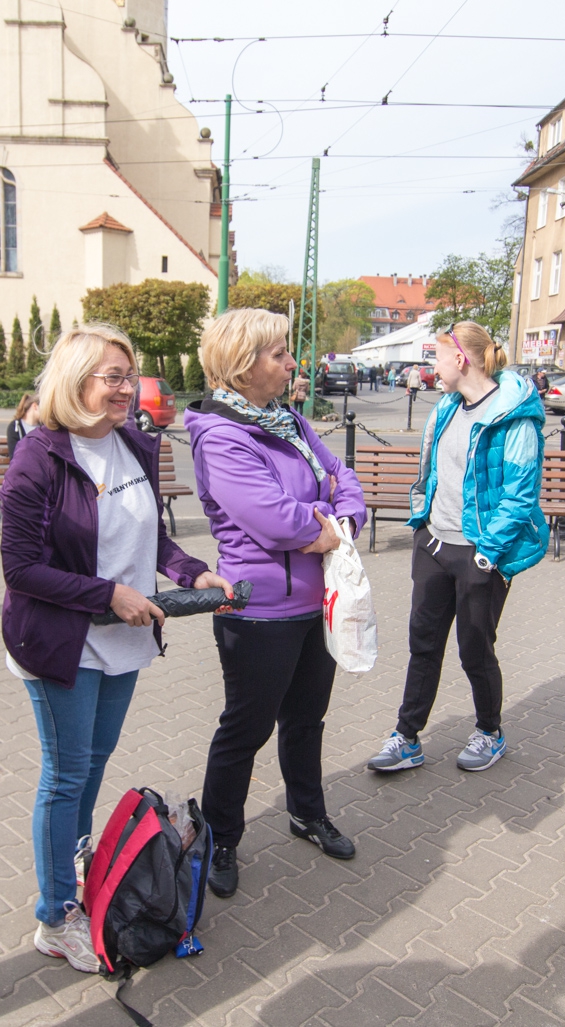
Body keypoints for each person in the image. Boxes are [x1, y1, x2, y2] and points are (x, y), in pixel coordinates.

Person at [0, 324, 231, 971]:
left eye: (130, 375)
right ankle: (53, 915)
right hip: (59, 641)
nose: (128, 388)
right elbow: (20, 567)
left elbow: (150, 536)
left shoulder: (135, 442)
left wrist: (191, 570)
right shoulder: (39, 457)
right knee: (66, 773)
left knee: (94, 761)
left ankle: (74, 869)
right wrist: (108, 595)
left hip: (123, 638)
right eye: (112, 377)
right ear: (76, 382)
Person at [186, 309, 368, 899]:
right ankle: (221, 837)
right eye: (279, 354)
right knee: (246, 729)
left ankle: (306, 813)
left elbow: (342, 475)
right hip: (259, 611)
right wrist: (325, 526)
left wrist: (341, 519)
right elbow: (275, 518)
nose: (293, 364)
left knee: (306, 720)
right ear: (241, 366)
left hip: (316, 603)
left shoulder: (286, 420)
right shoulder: (221, 434)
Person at [366, 322, 548, 775]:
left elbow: (519, 494)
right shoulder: (447, 407)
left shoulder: (514, 416)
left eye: (437, 357)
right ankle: (406, 738)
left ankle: (490, 731)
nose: (433, 366)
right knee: (422, 644)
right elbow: (433, 471)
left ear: (461, 359)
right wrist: (422, 523)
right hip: (433, 543)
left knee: (474, 648)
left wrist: (487, 554)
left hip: (479, 553)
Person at [7, 391, 40, 458]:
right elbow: (14, 455)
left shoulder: (45, 427)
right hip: (23, 466)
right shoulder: (15, 427)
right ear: (35, 406)